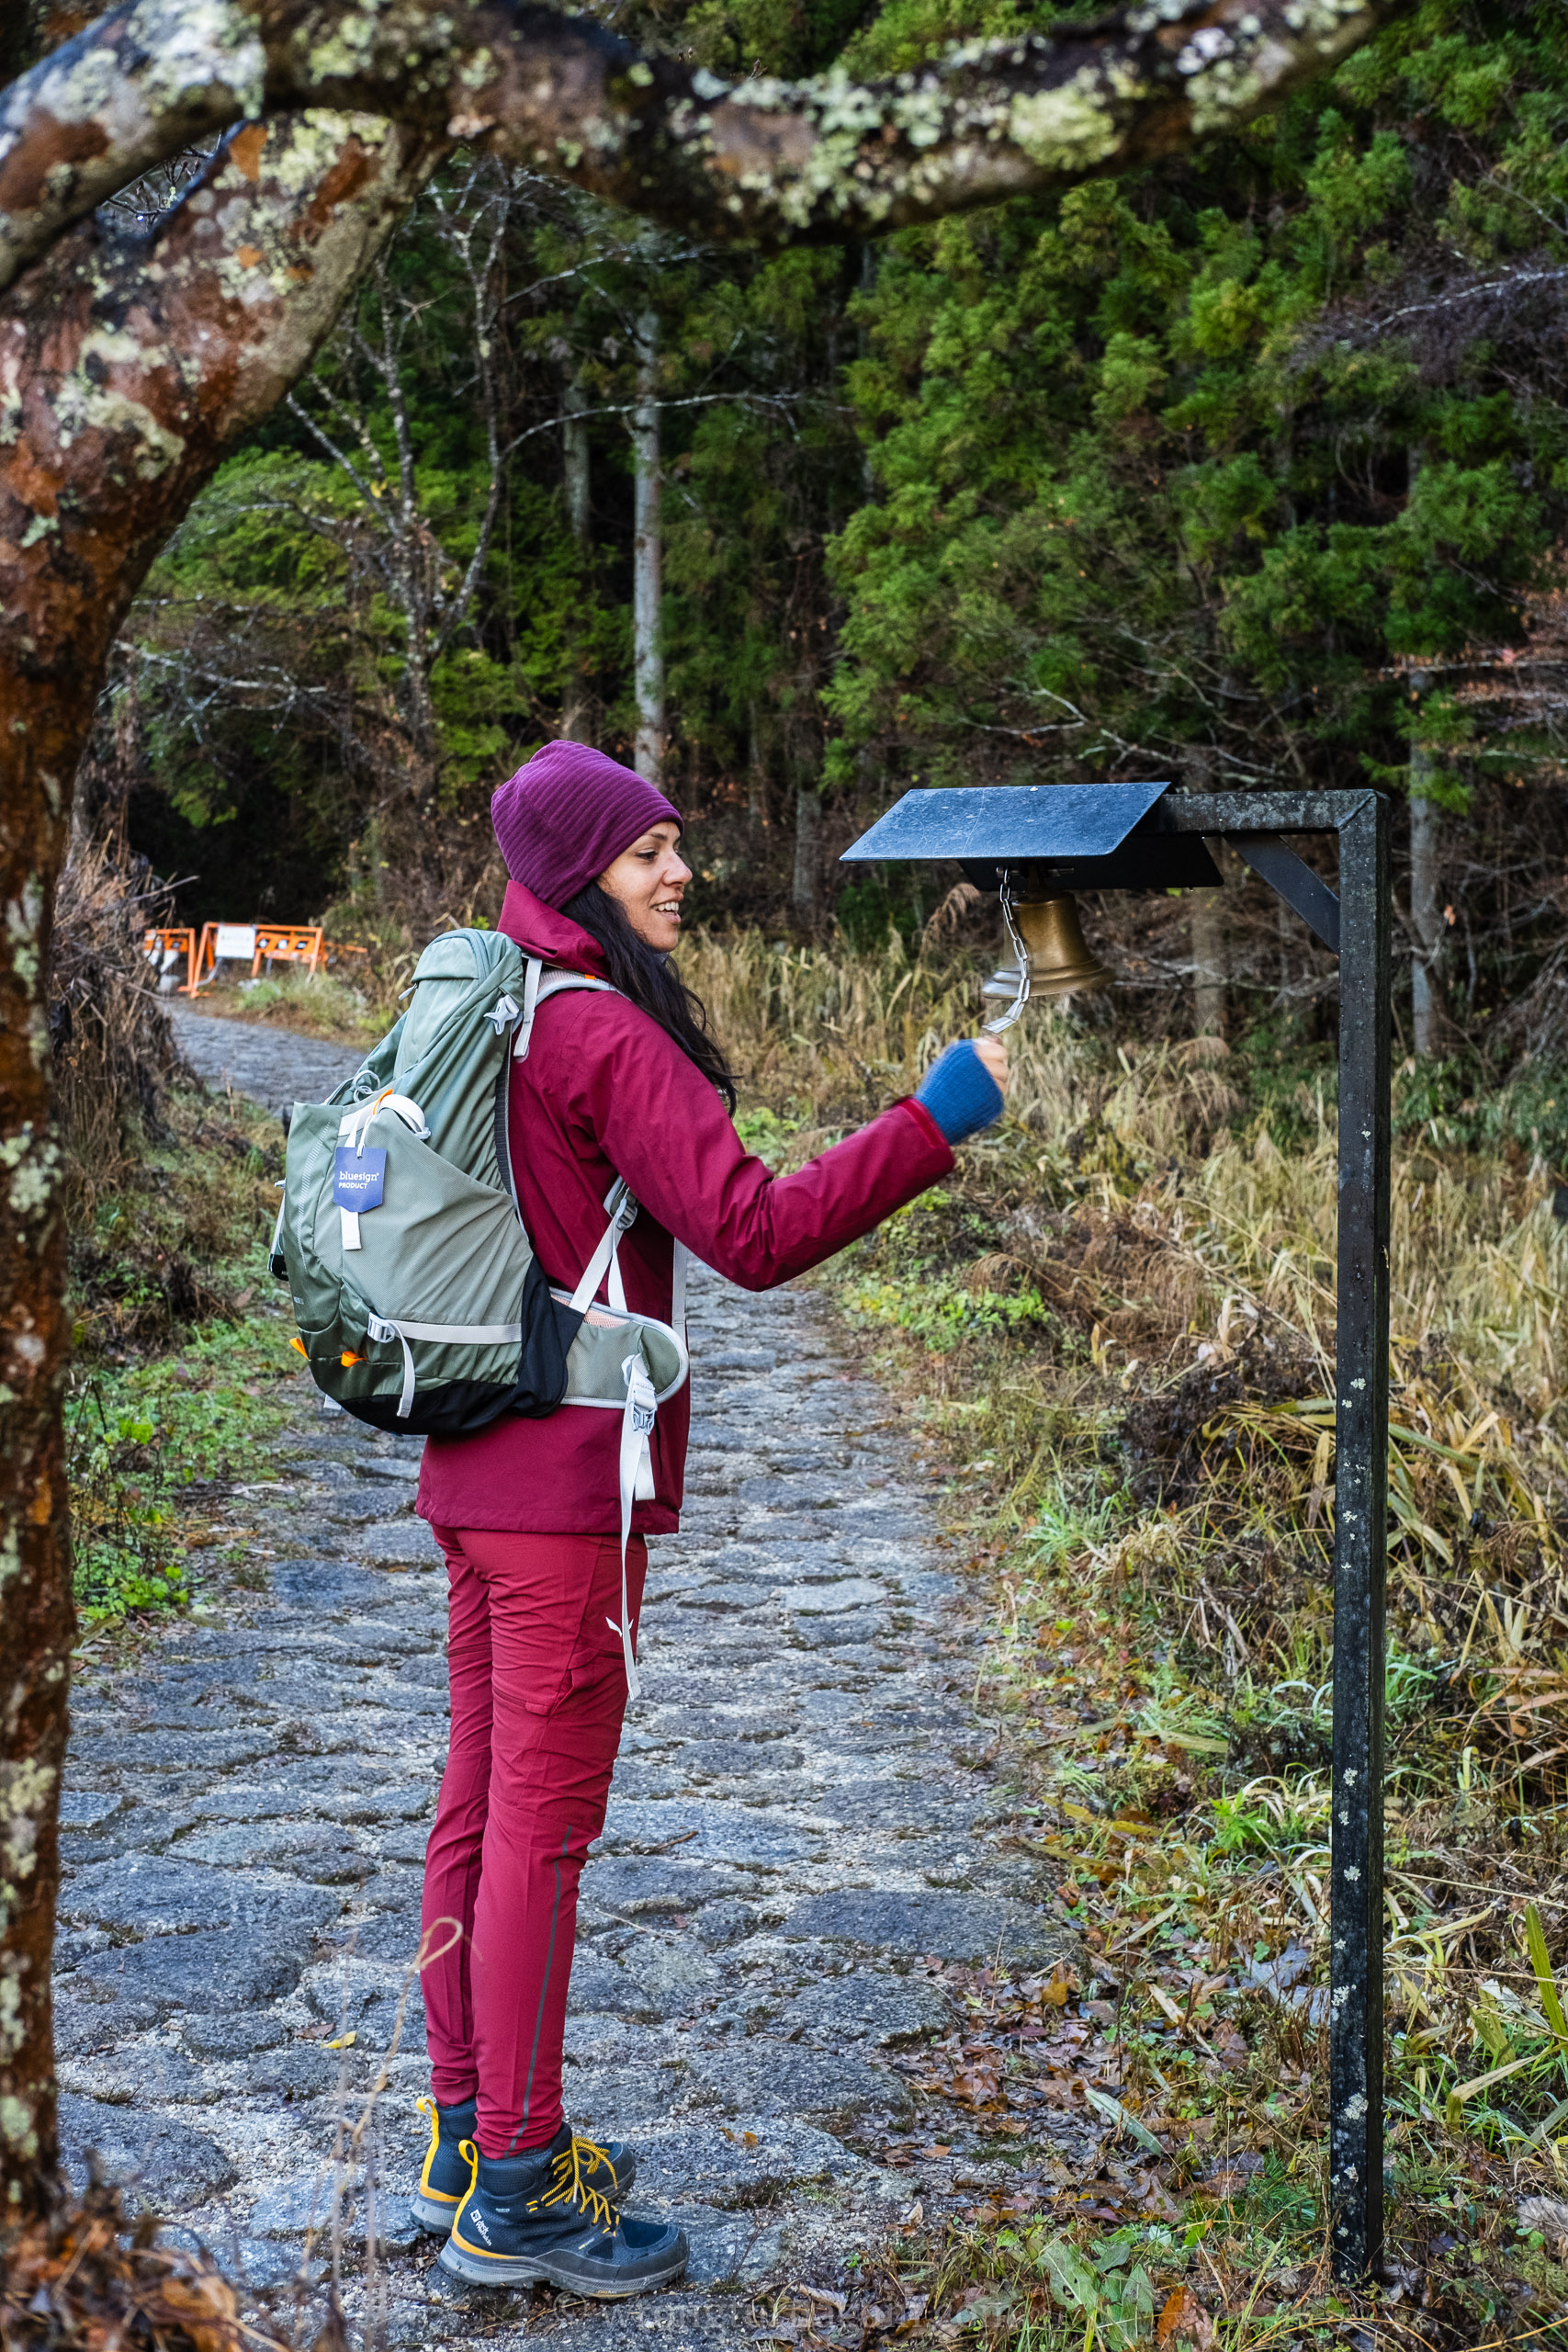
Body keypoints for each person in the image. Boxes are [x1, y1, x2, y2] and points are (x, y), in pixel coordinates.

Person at [411, 740, 1009, 2298]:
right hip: (560, 1497)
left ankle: (464, 2133)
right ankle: (522, 2194)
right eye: (645, 853)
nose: (677, 874)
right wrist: (933, 1120)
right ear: (575, 878)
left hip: (471, 1475)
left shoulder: (496, 1003)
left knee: (475, 1808)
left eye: (676, 846)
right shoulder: (599, 1030)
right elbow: (750, 1231)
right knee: (542, 1830)